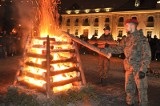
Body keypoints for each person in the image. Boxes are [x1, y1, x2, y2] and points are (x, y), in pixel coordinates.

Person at [101, 19, 151, 106]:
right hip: (128, 68)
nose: (125, 28)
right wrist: (105, 49)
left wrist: (143, 69)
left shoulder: (141, 39)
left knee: (142, 90)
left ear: (132, 26)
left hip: (138, 69)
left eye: (127, 26)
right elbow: (118, 48)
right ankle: (130, 103)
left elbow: (147, 55)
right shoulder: (126, 39)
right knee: (129, 89)